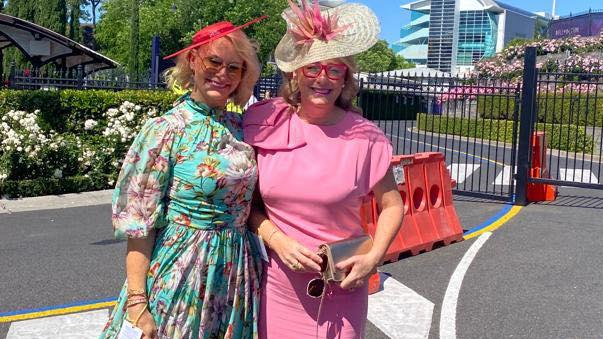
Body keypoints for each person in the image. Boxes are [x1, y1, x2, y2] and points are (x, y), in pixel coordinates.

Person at [243, 1, 404, 338]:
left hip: (342, 284)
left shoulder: (366, 138)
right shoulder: (263, 121)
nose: (323, 79)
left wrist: (374, 257)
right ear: (295, 73)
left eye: (334, 70)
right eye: (313, 68)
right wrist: (278, 240)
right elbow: (248, 205)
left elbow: (392, 205)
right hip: (277, 287)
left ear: (345, 77)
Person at [100, 16, 266, 339]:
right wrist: (137, 301)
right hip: (182, 274)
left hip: (236, 275)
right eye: (214, 61)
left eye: (235, 67)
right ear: (193, 60)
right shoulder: (166, 130)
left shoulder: (245, 127)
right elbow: (140, 222)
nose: (223, 74)